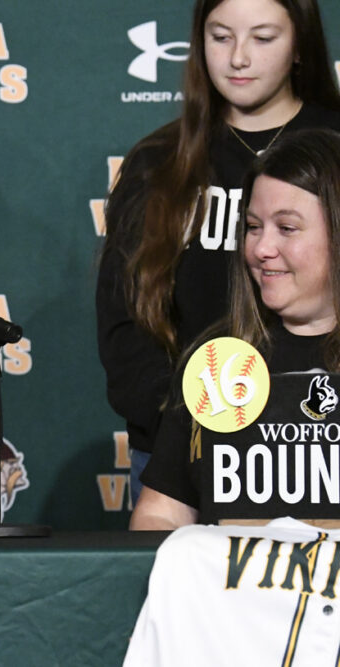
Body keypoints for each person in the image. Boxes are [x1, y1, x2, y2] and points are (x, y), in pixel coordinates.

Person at [96, 0, 340, 506]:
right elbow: (124, 318)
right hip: (179, 449)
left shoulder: (333, 147)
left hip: (320, 444)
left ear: (299, 45)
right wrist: (184, 419)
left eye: (263, 38)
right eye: (221, 36)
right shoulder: (157, 163)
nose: (238, 58)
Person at [131, 127, 340, 529]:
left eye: (287, 228)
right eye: (254, 226)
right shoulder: (218, 359)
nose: (261, 248)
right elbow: (162, 511)